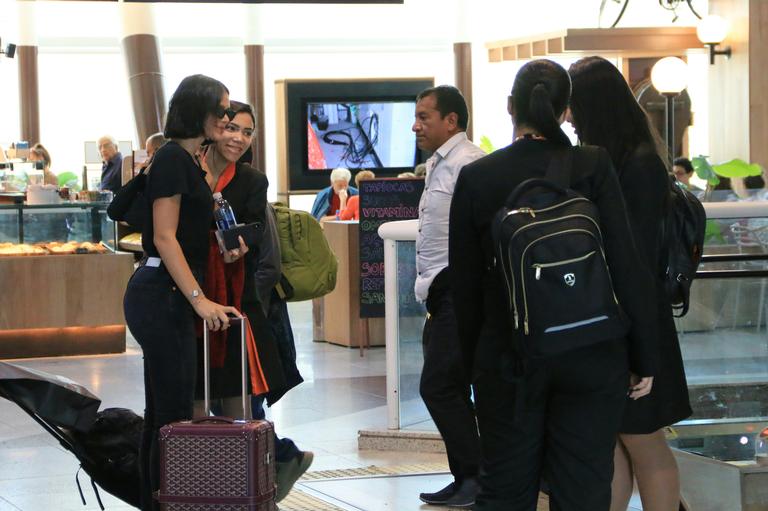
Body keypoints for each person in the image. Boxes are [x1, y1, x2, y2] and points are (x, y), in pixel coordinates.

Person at [449, 59, 658, 511]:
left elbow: (464, 289)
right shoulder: (593, 164)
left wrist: (473, 366)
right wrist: (643, 355)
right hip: (593, 350)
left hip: (509, 355)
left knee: (505, 490)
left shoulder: (478, 177)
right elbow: (625, 262)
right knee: (583, 489)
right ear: (565, 110)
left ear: (510, 107)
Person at [569, 56, 692, 511]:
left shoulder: (635, 165)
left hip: (636, 322)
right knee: (617, 441)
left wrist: (639, 350)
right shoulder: (620, 160)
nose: (568, 116)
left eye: (573, 105)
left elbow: (634, 260)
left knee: (643, 441)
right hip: (620, 320)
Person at [122, 74, 246, 511]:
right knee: (173, 416)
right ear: (200, 110)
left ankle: (156, 502)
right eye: (223, 109)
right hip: (162, 295)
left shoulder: (191, 160)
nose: (228, 118)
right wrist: (200, 299)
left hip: (167, 294)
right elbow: (164, 237)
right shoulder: (175, 157)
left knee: (164, 415)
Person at [193, 100, 312, 502]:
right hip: (191, 304)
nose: (239, 138)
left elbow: (261, 246)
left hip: (238, 308)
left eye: (247, 132)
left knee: (242, 405)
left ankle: (251, 485)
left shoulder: (250, 182)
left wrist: (239, 262)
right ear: (212, 128)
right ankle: (204, 488)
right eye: (231, 128)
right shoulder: (185, 171)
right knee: (197, 403)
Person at [413, 85, 485, 508]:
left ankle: (478, 475)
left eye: (425, 116)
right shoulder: (438, 164)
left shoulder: (468, 164)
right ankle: (468, 476)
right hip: (440, 293)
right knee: (448, 387)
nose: (416, 124)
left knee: (438, 386)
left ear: (452, 121)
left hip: (461, 289)